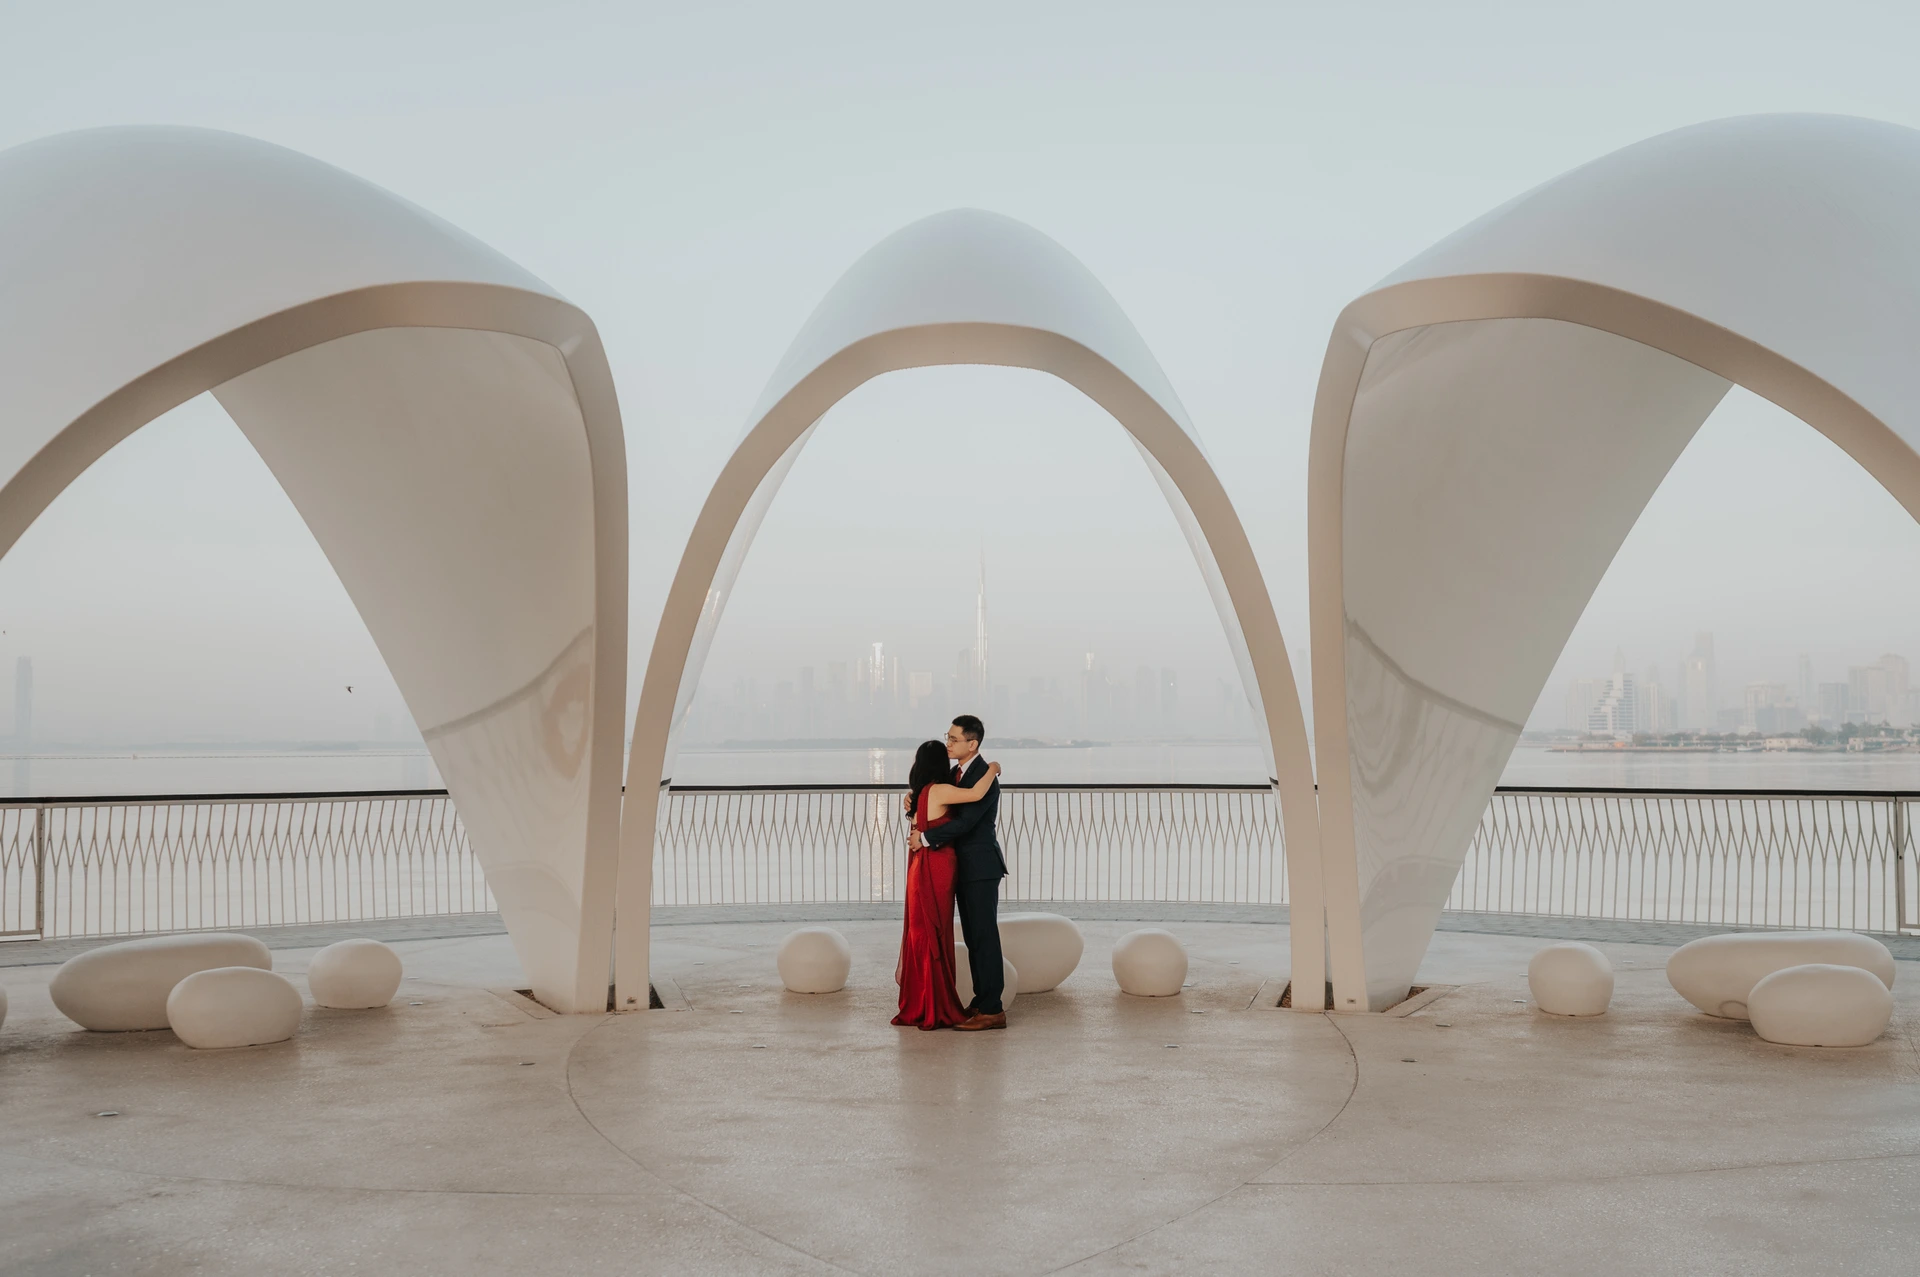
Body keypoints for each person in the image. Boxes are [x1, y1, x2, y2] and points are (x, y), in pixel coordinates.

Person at [893, 738, 1002, 1030]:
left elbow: (965, 820)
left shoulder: (945, 785)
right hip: (939, 865)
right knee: (941, 932)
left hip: (961, 866)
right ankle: (947, 1002)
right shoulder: (949, 782)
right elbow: (950, 810)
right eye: (947, 741)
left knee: (972, 936)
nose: (950, 743)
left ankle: (989, 1008)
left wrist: (919, 819)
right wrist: (995, 767)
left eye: (954, 738)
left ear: (972, 742)